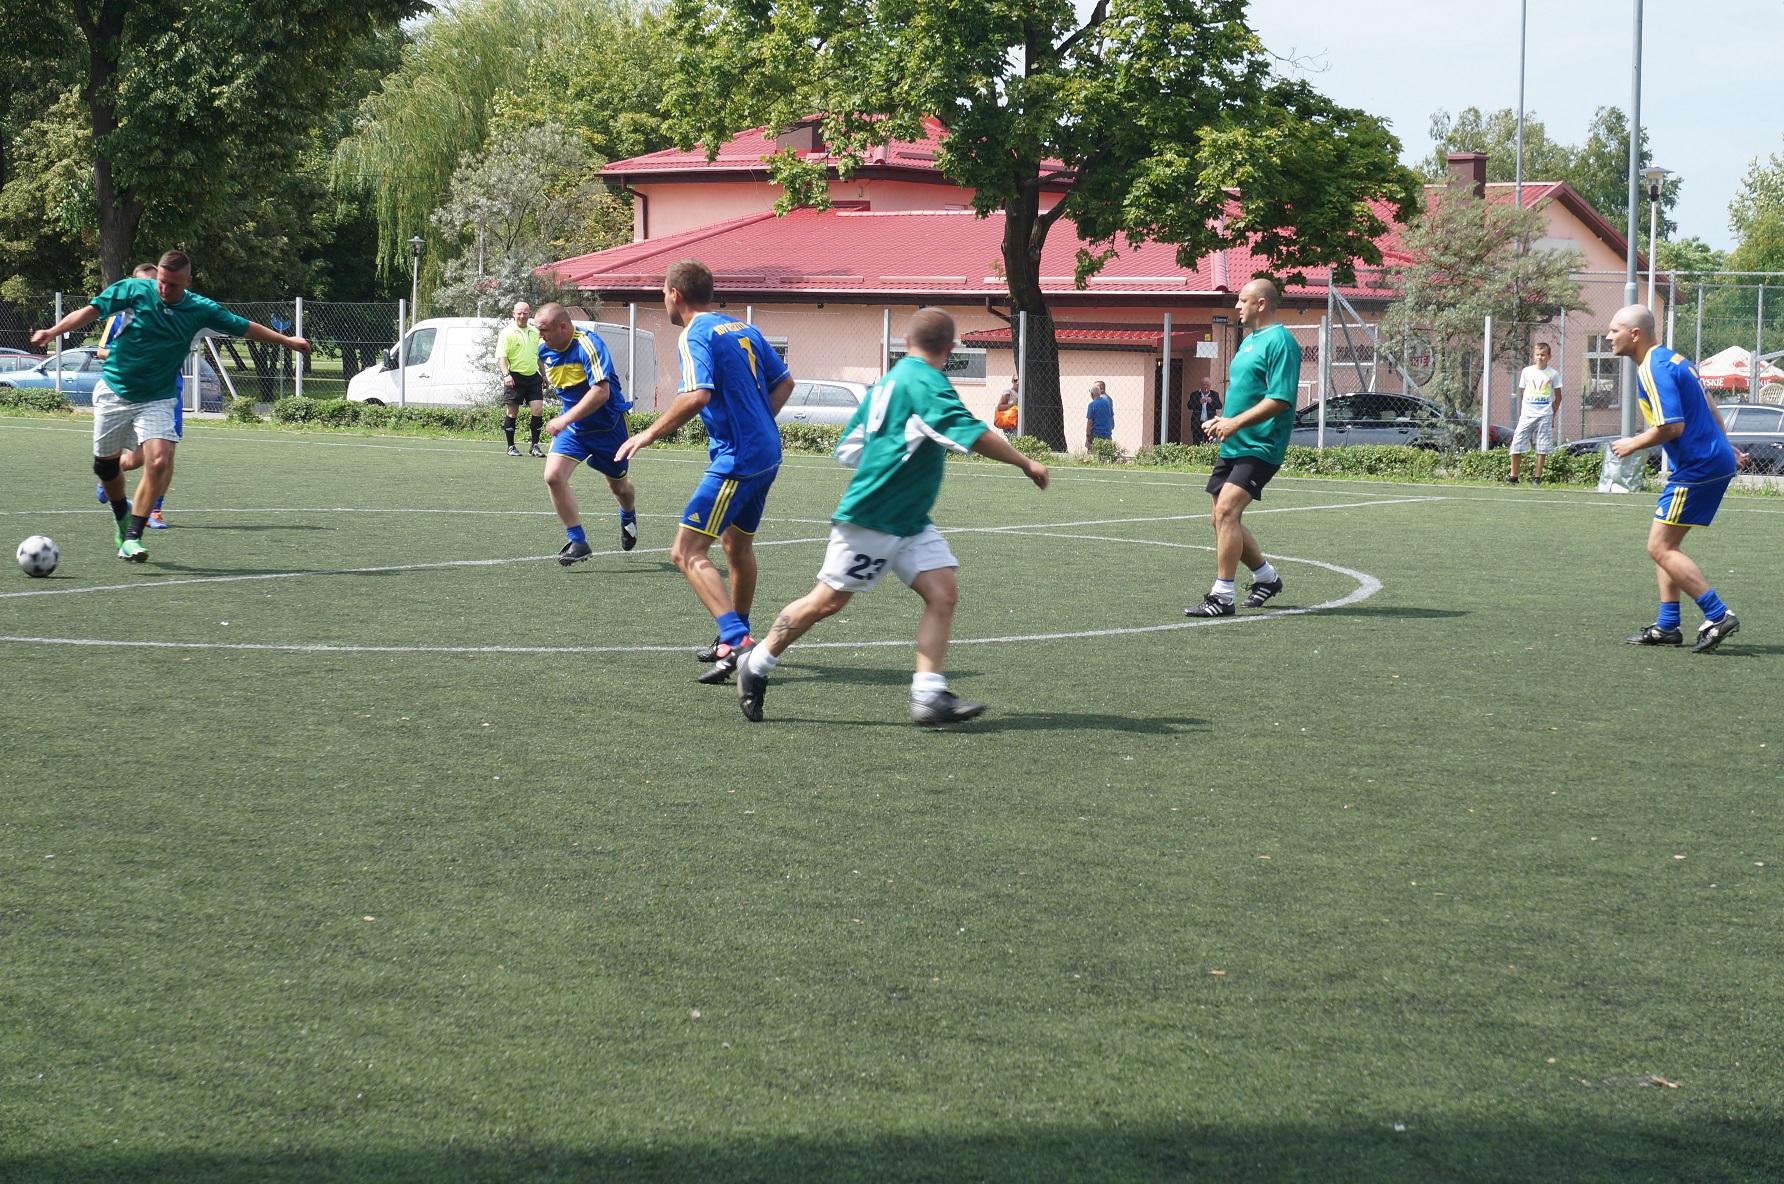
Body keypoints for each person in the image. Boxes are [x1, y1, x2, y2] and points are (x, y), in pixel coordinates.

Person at [737, 309, 1050, 725]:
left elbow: (850, 447)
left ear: (907, 341)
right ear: (952, 349)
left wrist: (895, 452)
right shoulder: (926, 381)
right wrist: (1025, 462)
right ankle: (756, 663)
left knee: (943, 593)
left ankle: (928, 696)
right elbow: (971, 431)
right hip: (875, 515)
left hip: (908, 517)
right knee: (827, 600)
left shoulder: (887, 382)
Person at [31, 250, 310, 562]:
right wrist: (53, 332)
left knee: (160, 460)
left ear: (188, 282)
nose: (164, 289)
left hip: (158, 397)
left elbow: (245, 327)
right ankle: (122, 515)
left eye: (173, 285)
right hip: (114, 390)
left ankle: (132, 537)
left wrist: (287, 341)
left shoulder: (201, 309)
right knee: (105, 468)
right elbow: (90, 311)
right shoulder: (133, 290)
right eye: (161, 282)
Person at [614, 258, 793, 683]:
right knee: (736, 545)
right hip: (766, 452)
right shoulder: (742, 326)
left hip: (738, 458)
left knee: (686, 551)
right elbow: (785, 382)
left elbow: (697, 395)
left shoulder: (694, 333)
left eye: (663, 293)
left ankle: (737, 641)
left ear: (674, 294)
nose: (664, 300)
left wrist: (647, 433)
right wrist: (758, 425)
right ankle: (734, 635)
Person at [1608, 304, 1742, 652]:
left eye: (1614, 330)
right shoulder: (1676, 360)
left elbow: (1672, 426)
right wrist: (1725, 446)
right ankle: (1667, 626)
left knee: (1660, 546)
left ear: (1634, 334)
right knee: (1665, 546)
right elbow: (1710, 406)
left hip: (1698, 465)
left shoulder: (1652, 366)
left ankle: (1718, 614)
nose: (1608, 337)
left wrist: (1632, 443)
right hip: (1709, 459)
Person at [1186, 278, 1299, 617]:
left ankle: (1222, 596)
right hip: (1234, 444)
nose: (1237, 306)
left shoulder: (1281, 342)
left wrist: (1235, 423)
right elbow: (1248, 393)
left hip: (1261, 445)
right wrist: (1224, 419)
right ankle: (1266, 578)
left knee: (1226, 513)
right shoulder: (1249, 341)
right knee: (1219, 518)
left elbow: (1280, 399)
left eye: (1242, 300)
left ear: (1261, 304)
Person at [535, 303, 638, 562]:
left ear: (563, 327)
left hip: (609, 428)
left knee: (619, 488)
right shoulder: (544, 350)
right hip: (574, 430)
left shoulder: (588, 345)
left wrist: (563, 419)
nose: (540, 336)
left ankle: (628, 515)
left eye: (544, 330)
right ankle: (578, 541)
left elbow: (601, 392)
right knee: (553, 476)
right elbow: (548, 369)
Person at [95, 262, 178, 528]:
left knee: (166, 454)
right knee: (138, 458)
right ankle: (111, 472)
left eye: (154, 281)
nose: (151, 287)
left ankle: (155, 510)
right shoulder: (121, 314)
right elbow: (101, 350)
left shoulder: (177, 310)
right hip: (129, 391)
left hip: (166, 390)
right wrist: (133, 355)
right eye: (143, 282)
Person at [1507, 341, 1562, 486]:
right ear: (1534, 356)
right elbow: (1522, 391)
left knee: (1542, 447)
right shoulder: (1527, 371)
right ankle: (1513, 476)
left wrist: (1552, 413)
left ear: (1549, 356)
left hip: (1544, 415)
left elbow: (1558, 396)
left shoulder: (1553, 374)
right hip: (1527, 415)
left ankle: (1537, 478)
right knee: (1517, 443)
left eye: (1543, 355)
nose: (1540, 357)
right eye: (1537, 354)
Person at [497, 300, 546, 457]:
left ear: (530, 314)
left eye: (525, 313)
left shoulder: (535, 332)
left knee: (538, 410)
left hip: (533, 377)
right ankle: (511, 446)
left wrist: (544, 375)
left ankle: (535, 446)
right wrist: (506, 374)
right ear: (513, 314)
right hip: (514, 377)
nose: (522, 316)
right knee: (512, 412)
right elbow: (502, 356)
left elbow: (539, 356)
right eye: (519, 313)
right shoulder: (507, 332)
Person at [1085, 380, 1114, 450]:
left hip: (1096, 433)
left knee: (1092, 452)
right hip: (1107, 432)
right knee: (1106, 453)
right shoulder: (1107, 402)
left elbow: (1090, 421)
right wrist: (1111, 427)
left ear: (1092, 394)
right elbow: (1112, 417)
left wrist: (1087, 435)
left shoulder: (1092, 405)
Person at [1192, 376, 1220, 445]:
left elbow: (1219, 406)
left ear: (1210, 386)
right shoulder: (1195, 394)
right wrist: (1199, 402)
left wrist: (1212, 401)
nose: (1205, 387)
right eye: (1204, 385)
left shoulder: (1214, 394)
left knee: (1209, 442)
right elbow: (1189, 405)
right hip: (1197, 423)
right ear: (1201, 385)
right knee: (1196, 443)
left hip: (1209, 423)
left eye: (1207, 385)